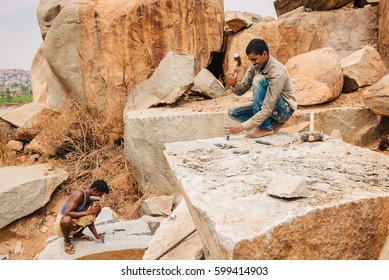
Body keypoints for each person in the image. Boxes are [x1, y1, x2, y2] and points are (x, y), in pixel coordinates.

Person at [225, 38, 297, 138]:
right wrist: (233, 82)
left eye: (254, 59)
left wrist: (241, 127)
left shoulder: (277, 72)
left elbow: (267, 108)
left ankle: (265, 128)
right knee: (234, 113)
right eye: (250, 60)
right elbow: (241, 90)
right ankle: (268, 124)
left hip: (283, 110)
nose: (253, 63)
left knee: (258, 79)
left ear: (264, 54)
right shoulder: (255, 65)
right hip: (267, 109)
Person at [54, 179, 110, 254]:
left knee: (98, 208)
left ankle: (78, 234)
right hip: (63, 224)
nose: (100, 197)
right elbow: (67, 214)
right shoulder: (79, 194)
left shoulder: (91, 198)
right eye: (100, 194)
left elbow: (90, 219)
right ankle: (67, 240)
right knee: (67, 220)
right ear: (94, 190)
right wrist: (88, 212)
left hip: (75, 222)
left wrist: (96, 235)